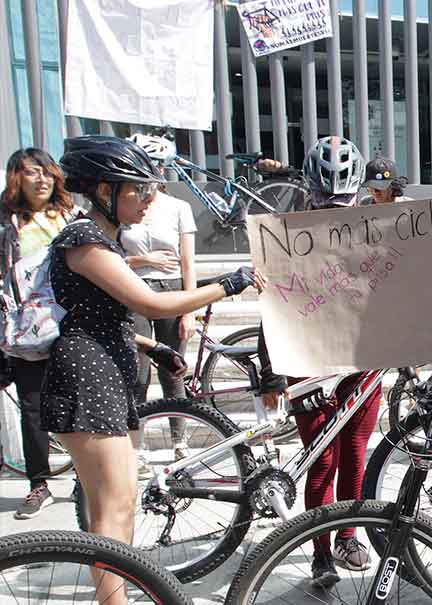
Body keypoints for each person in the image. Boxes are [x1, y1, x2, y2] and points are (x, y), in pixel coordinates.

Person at [49, 135, 260, 601]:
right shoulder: (83, 239)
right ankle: (113, 601)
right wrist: (228, 284)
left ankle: (115, 596)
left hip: (107, 370)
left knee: (120, 504)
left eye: (149, 190)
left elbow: (100, 315)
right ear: (104, 191)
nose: (148, 200)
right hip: (88, 378)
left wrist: (149, 346)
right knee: (111, 507)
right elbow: (150, 300)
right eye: (137, 190)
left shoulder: (105, 239)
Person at [255, 136, 383, 588]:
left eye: (344, 199)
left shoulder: (377, 231)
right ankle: (320, 552)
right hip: (309, 364)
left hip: (362, 363)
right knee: (322, 459)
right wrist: (270, 373)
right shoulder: (287, 237)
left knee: (354, 456)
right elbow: (271, 306)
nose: (335, 208)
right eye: (326, 199)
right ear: (309, 192)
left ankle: (349, 536)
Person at [1, 148, 78, 519]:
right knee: (32, 409)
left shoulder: (68, 216)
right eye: (32, 173)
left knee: (78, 404)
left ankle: (85, 475)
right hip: (24, 331)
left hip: (70, 324)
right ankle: (39, 483)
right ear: (17, 177)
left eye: (47, 172)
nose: (42, 179)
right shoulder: (6, 224)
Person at [123, 133, 197, 463]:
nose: (156, 172)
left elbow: (187, 261)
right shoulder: (124, 209)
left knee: (173, 370)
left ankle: (179, 441)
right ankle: (135, 446)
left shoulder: (178, 207)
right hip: (133, 289)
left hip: (172, 289)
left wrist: (190, 309)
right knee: (137, 372)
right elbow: (110, 256)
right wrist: (143, 260)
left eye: (161, 166)